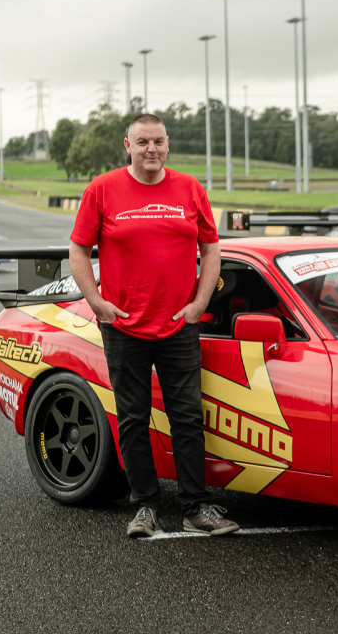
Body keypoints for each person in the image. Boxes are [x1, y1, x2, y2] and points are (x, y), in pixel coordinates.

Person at [68, 114, 238, 539]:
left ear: (168, 144)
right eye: (143, 142)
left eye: (159, 142)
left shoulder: (189, 188)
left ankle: (195, 508)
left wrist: (200, 303)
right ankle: (144, 506)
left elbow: (211, 248)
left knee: (186, 419)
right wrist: (97, 302)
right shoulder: (102, 189)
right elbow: (77, 250)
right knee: (132, 419)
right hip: (123, 326)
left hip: (179, 325)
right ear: (127, 144)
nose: (151, 150)